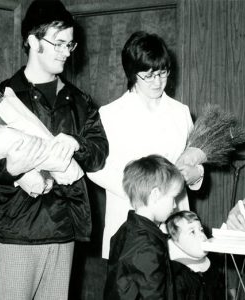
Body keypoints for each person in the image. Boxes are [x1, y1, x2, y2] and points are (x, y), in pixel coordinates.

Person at [0, 1, 108, 299]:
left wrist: (78, 144)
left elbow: (99, 152)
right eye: (58, 43)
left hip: (63, 230)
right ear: (33, 41)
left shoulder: (80, 101)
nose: (66, 51)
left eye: (70, 44)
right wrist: (11, 167)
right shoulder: (0, 97)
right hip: (18, 232)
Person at [87, 31, 206, 260]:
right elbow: (96, 168)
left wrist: (197, 173)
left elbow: (194, 158)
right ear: (132, 74)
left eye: (162, 73)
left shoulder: (180, 112)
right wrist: (142, 194)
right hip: (129, 217)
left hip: (176, 219)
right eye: (148, 75)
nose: (157, 82)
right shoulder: (110, 114)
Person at [104, 154, 184, 299]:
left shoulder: (126, 230)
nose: (175, 205)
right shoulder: (148, 245)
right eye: (173, 197)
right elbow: (153, 294)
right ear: (155, 195)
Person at [166, 210, 225, 300]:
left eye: (201, 229)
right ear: (175, 242)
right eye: (192, 232)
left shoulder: (211, 264)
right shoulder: (177, 275)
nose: (201, 235)